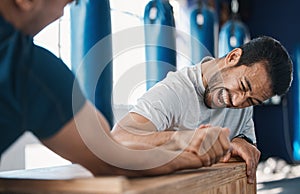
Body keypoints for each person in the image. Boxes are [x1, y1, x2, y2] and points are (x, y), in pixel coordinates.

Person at [0, 0, 232, 177]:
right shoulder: (26, 68)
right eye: (66, 2)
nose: (62, 13)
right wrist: (190, 155)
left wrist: (180, 141)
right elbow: (110, 156)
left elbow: (109, 146)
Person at [112, 36, 293, 183]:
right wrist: (182, 139)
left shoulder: (244, 101)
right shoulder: (174, 91)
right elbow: (118, 139)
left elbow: (245, 139)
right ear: (232, 57)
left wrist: (241, 141)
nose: (237, 102)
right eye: (243, 86)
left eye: (252, 100)